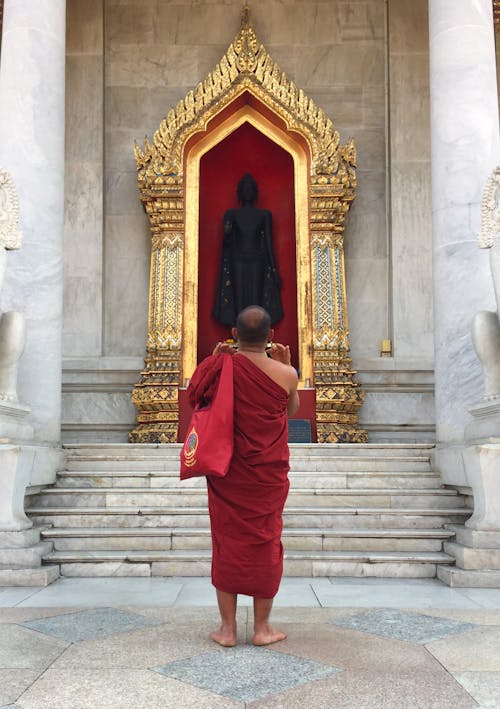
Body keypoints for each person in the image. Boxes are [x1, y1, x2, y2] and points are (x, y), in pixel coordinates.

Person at [187, 305, 299, 646]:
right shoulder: (287, 373)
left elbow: (196, 398)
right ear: (271, 337)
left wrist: (213, 360)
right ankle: (263, 629)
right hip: (266, 474)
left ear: (234, 335)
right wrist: (283, 363)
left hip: (228, 471)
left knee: (227, 541)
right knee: (265, 541)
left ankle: (227, 629)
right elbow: (291, 411)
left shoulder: (219, 367)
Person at [213, 173, 283, 326]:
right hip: (237, 259)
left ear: (255, 192)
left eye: (250, 188)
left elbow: (268, 243)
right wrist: (227, 231)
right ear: (239, 192)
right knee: (238, 297)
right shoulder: (232, 214)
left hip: (258, 259)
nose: (248, 191)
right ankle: (240, 332)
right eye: (245, 189)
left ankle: (256, 333)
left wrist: (274, 269)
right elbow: (228, 242)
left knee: (256, 299)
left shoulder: (264, 215)